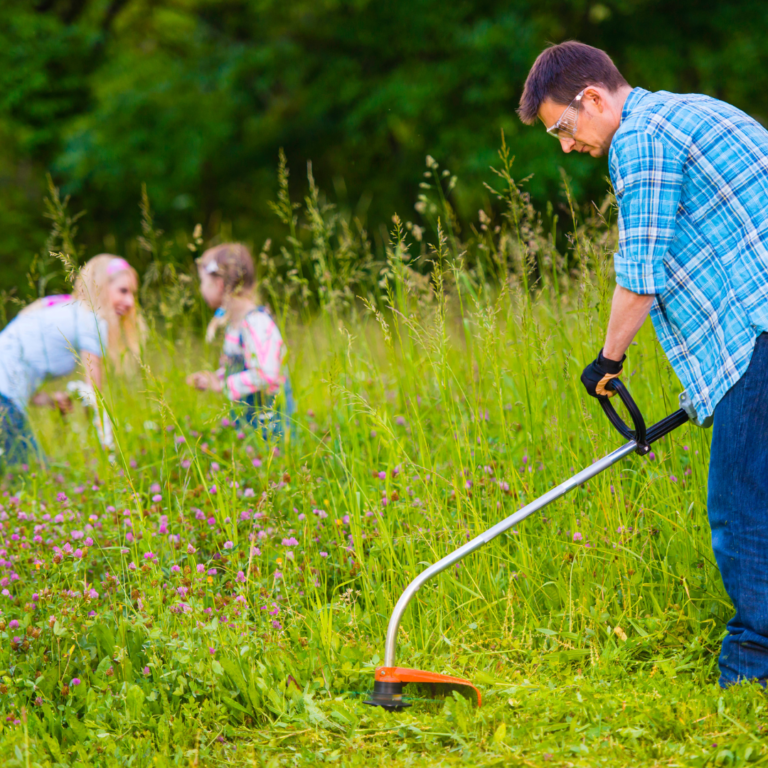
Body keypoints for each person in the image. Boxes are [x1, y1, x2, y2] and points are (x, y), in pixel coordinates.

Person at [518, 41, 768, 688]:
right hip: (755, 323)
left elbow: (641, 271)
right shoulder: (690, 110)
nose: (567, 147)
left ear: (593, 99)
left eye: (564, 130)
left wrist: (606, 359)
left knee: (741, 505)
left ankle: (752, 668)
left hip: (759, 329)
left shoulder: (642, 139)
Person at [0, 254, 141, 464]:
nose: (130, 302)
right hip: (4, 401)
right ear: (101, 286)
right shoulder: (92, 319)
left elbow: (16, 368)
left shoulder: (67, 308)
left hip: (6, 398)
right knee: (35, 472)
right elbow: (95, 396)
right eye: (123, 291)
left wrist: (47, 400)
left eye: (133, 294)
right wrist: (108, 455)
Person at [186, 243, 295, 439]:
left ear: (219, 284)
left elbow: (266, 374)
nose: (201, 289)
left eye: (202, 281)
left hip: (270, 426)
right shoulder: (235, 325)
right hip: (248, 424)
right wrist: (216, 378)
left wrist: (223, 385)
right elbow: (242, 368)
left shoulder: (256, 323)